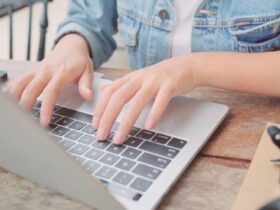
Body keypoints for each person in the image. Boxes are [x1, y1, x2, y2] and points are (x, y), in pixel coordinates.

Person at [6, 0, 280, 144]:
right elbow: (88, 17)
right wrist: (73, 44)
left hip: (248, 140)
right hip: (145, 126)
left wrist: (194, 67)